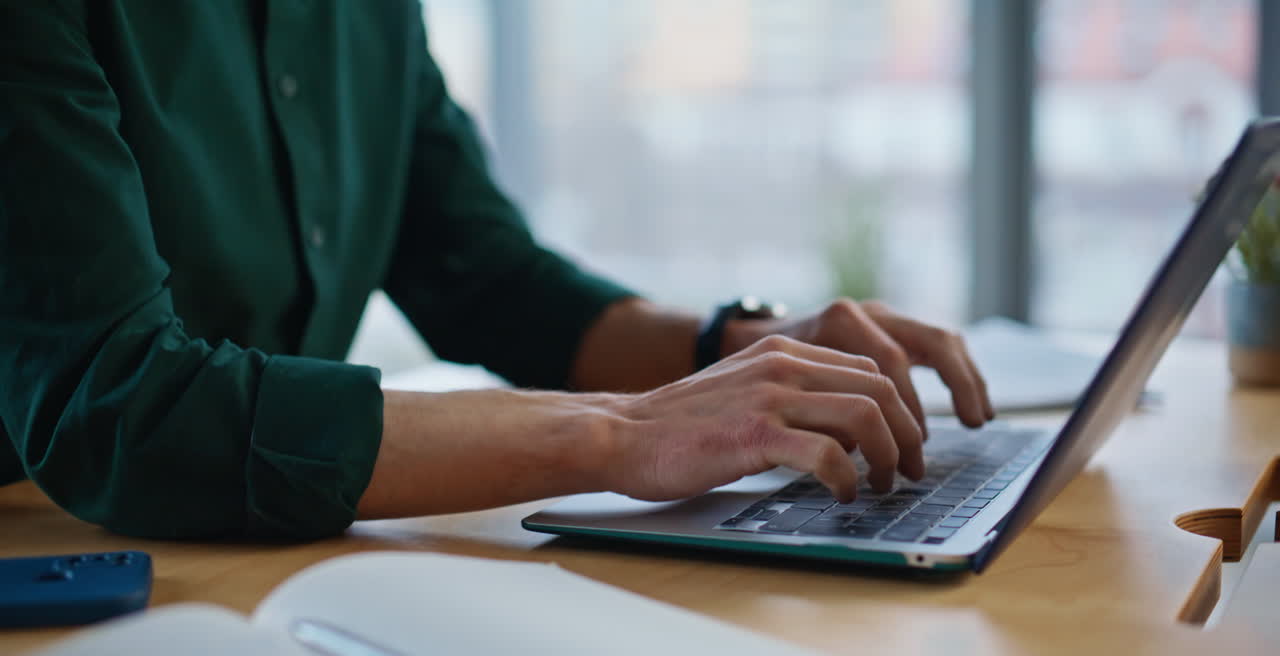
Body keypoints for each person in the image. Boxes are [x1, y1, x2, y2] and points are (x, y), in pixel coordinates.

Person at [0, 1, 992, 540]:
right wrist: (616, 435)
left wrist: (739, 351)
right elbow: (122, 407)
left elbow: (484, 278)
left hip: (248, 571)